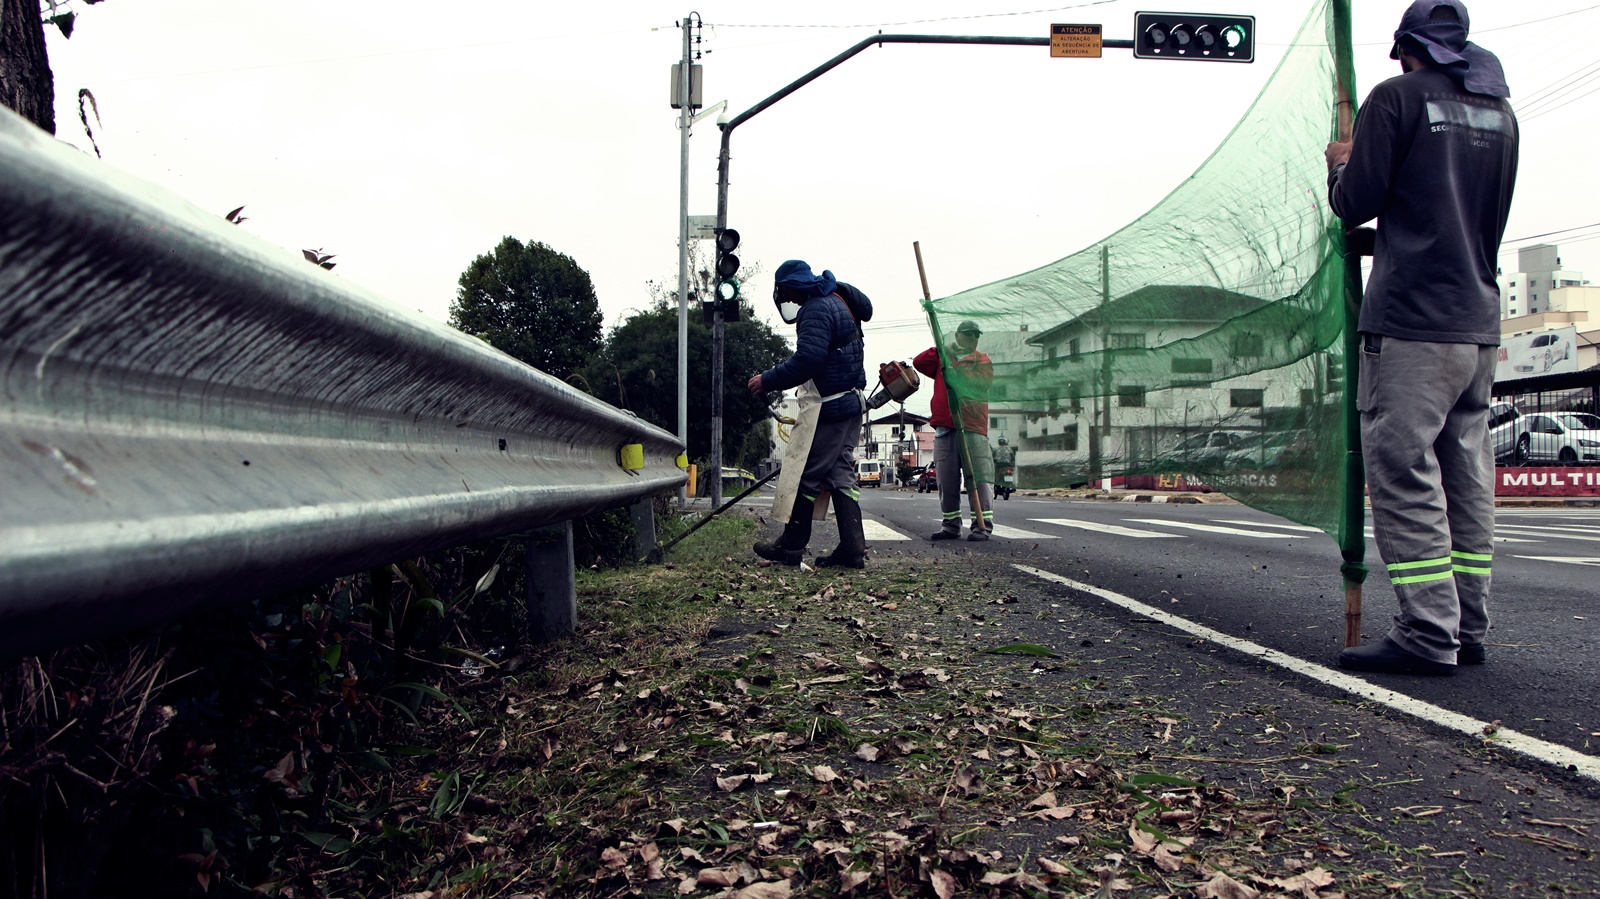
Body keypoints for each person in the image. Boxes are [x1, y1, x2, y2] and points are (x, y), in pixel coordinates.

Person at [1325, 0, 1517, 675]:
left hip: (1411, 323)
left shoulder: (1396, 100)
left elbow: (1355, 202)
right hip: (1478, 325)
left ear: (1409, 48)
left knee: (1404, 468)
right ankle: (1467, 623)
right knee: (1465, 473)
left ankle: (1427, 630)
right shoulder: (1500, 112)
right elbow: (1455, 217)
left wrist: (1341, 162)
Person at [749, 260, 872, 568]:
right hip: (851, 404)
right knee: (840, 474)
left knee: (807, 474)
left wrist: (767, 379)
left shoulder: (815, 308)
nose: (788, 300)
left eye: (786, 292)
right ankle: (852, 549)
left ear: (790, 287)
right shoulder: (837, 300)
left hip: (830, 407)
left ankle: (791, 545)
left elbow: (808, 360)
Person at [914, 321, 994, 541]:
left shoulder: (981, 360)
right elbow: (920, 362)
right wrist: (942, 349)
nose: (972, 338)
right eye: (968, 335)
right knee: (946, 479)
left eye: (975, 335)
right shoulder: (944, 357)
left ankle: (982, 525)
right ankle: (951, 525)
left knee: (978, 478)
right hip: (945, 427)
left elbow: (973, 383)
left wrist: (953, 364)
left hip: (972, 427)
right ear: (957, 336)